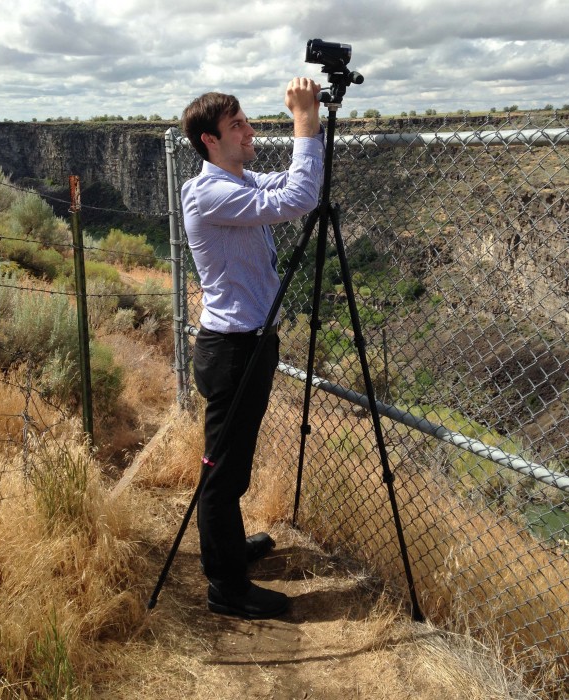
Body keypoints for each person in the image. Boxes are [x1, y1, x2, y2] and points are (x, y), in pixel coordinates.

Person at [180, 77, 324, 619]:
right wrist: (305, 119)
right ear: (209, 142)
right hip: (232, 350)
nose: (249, 130)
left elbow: (288, 182)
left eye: (246, 120)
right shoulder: (211, 191)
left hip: (249, 344)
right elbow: (299, 197)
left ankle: (231, 551)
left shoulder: (237, 178)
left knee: (234, 466)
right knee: (221, 475)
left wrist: (308, 135)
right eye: (236, 125)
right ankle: (226, 587)